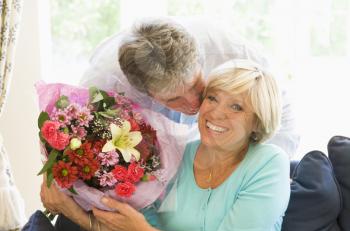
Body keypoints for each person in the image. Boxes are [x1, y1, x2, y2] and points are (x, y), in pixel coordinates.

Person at [41, 59, 290, 231]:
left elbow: (138, 229)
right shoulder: (176, 155)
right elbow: (132, 225)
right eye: (212, 98)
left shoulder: (268, 163)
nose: (216, 113)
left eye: (236, 107)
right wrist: (73, 210)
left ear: (258, 121)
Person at [80, 17, 299, 157]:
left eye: (195, 85)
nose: (195, 104)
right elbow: (80, 143)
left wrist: (267, 166)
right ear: (147, 93)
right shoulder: (104, 85)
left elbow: (280, 108)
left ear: (200, 61)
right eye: (173, 99)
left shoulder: (225, 47)